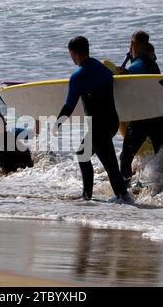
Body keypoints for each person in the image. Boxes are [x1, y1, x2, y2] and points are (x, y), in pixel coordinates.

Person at [53, 36, 132, 202]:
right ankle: (89, 196)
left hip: (98, 126)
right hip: (112, 121)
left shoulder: (78, 76)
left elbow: (69, 106)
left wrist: (57, 123)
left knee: (109, 164)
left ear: (74, 54)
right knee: (83, 153)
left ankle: (122, 198)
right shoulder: (102, 68)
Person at [120, 31, 163, 183]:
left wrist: (123, 74)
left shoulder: (136, 67)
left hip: (142, 118)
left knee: (125, 157)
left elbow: (126, 93)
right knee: (162, 155)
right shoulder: (152, 64)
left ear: (132, 44)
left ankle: (125, 191)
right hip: (159, 116)